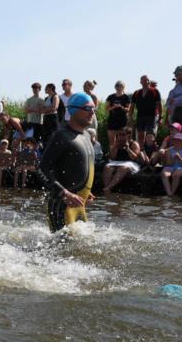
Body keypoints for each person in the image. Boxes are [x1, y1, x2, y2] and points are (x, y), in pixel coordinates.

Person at [38, 92, 97, 233]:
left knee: (81, 250)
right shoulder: (62, 135)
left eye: (94, 109)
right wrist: (64, 193)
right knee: (61, 251)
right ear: (74, 110)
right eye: (88, 108)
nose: (92, 113)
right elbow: (42, 168)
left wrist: (86, 190)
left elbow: (79, 166)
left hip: (79, 204)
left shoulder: (87, 135)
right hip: (62, 204)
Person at [102, 128, 143, 194]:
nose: (120, 136)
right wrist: (114, 147)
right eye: (119, 134)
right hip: (117, 162)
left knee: (123, 167)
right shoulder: (116, 143)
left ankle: (109, 187)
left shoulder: (134, 144)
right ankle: (106, 188)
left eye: (123, 134)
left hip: (131, 163)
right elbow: (112, 157)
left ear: (129, 135)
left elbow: (134, 157)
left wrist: (127, 148)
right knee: (107, 167)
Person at [160, 132, 182, 198]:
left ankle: (172, 193)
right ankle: (169, 193)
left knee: (176, 175)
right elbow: (168, 164)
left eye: (178, 140)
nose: (177, 142)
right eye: (175, 140)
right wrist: (173, 159)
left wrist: (179, 158)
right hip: (171, 166)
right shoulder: (169, 150)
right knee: (164, 174)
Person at [105, 80, 131, 148]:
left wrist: (121, 107)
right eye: (117, 85)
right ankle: (111, 156)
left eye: (120, 86)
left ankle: (122, 156)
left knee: (123, 140)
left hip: (122, 121)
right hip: (112, 120)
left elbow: (128, 110)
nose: (118, 87)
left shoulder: (126, 97)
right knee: (111, 141)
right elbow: (107, 109)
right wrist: (114, 106)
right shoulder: (110, 97)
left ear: (123, 87)